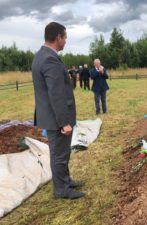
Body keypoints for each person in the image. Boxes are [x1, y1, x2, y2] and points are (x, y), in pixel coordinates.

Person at [32, 22, 85, 199]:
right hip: (57, 119)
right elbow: (56, 94)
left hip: (52, 116)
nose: (66, 41)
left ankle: (65, 180)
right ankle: (61, 189)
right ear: (57, 38)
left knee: (62, 153)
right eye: (65, 37)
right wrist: (64, 122)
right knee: (59, 155)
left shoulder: (41, 55)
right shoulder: (49, 59)